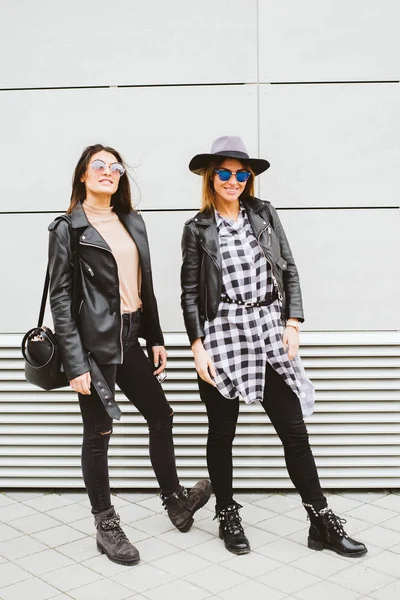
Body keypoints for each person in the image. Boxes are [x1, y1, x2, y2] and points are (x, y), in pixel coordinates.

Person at [180, 135, 367, 557]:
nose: (233, 180)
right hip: (221, 333)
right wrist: (197, 347)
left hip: (266, 328)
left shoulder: (263, 214)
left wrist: (293, 322)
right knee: (221, 433)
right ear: (211, 177)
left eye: (241, 173)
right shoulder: (197, 228)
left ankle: (321, 521)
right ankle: (227, 514)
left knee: (294, 430)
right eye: (224, 173)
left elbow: (290, 270)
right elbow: (190, 293)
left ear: (249, 178)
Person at [48, 144, 211, 566]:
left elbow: (146, 283)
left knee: (160, 413)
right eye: (97, 166)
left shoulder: (131, 221)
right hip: (94, 347)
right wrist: (75, 361)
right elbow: (61, 299)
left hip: (132, 335)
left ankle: (175, 502)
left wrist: (155, 337)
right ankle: (105, 525)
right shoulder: (69, 228)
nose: (108, 171)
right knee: (98, 435)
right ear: (82, 176)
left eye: (115, 167)